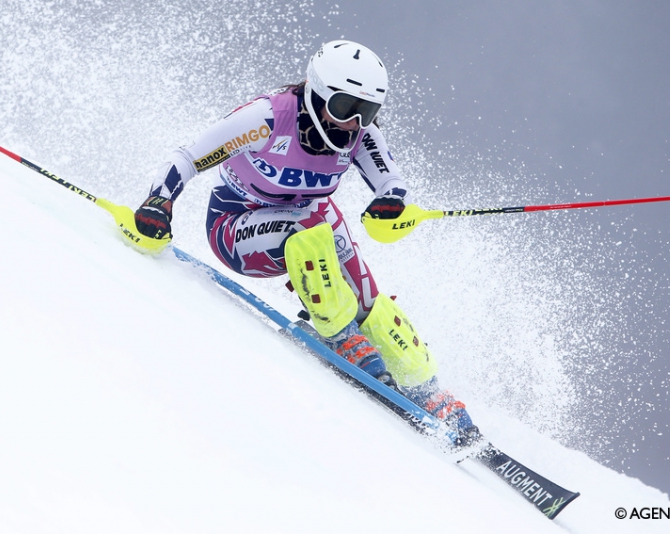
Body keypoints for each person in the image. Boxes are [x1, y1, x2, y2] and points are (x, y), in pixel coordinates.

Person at [134, 40, 481, 448]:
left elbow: (391, 181)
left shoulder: (360, 136)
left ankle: (426, 386)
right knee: (310, 225)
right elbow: (188, 158)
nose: (353, 123)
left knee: (363, 291)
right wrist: (159, 202)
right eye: (344, 107)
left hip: (309, 221)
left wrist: (390, 202)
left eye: (366, 111)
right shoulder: (266, 119)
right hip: (234, 228)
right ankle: (338, 333)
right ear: (316, 93)